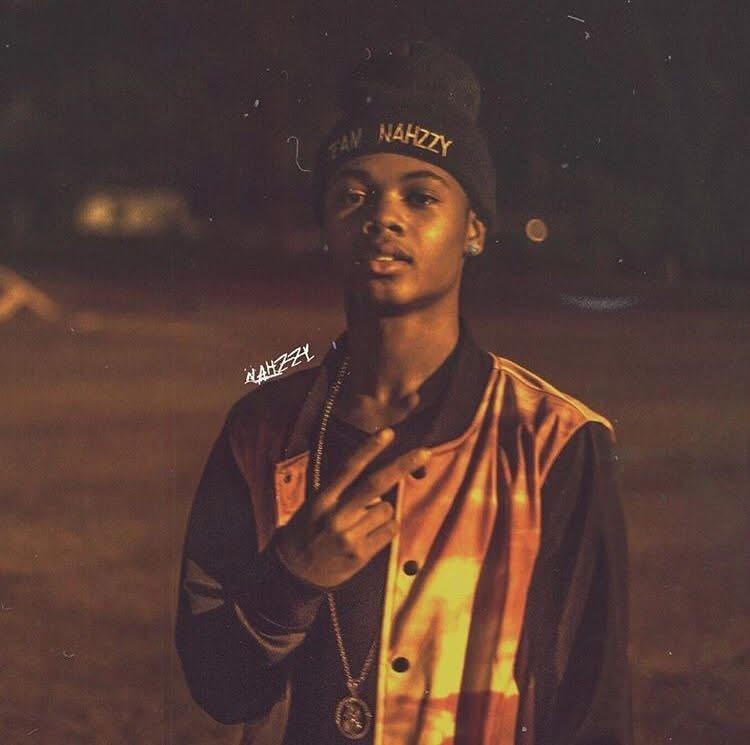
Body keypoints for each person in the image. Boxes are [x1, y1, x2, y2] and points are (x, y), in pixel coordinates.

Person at [175, 41, 632, 745]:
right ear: (326, 229)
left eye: (421, 196)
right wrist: (290, 581)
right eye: (352, 194)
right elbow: (218, 688)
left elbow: (592, 710)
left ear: (474, 228)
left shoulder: (552, 442)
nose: (382, 217)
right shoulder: (259, 432)